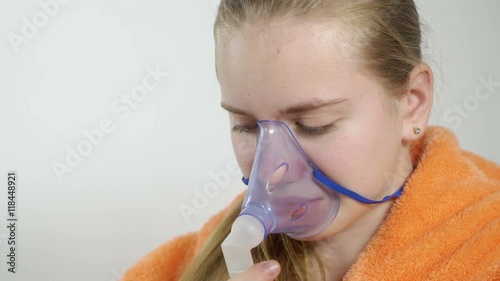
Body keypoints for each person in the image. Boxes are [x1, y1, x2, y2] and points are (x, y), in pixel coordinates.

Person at [122, 0, 500, 280]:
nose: (273, 170)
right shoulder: (173, 270)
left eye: (314, 123)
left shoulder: (487, 250)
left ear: (412, 104)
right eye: (246, 125)